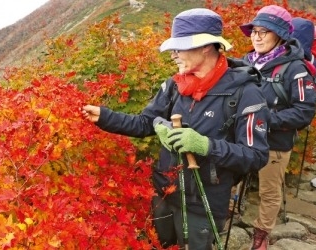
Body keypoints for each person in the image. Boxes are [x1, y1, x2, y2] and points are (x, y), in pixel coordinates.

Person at [82, 8, 270, 249]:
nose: (173, 54)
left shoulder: (245, 92)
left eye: (179, 47)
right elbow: (145, 123)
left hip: (204, 201)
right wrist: (105, 117)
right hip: (165, 190)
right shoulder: (175, 85)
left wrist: (205, 145)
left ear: (205, 46)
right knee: (162, 244)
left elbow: (256, 156)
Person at [239, 5, 316, 250]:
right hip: (241, 138)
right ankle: (229, 216)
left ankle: (261, 235)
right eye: (254, 31)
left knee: (269, 191)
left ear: (280, 35)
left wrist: (264, 120)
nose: (257, 36)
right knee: (231, 179)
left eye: (265, 31)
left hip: (275, 142)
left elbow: (304, 111)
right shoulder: (245, 61)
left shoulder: (296, 68)